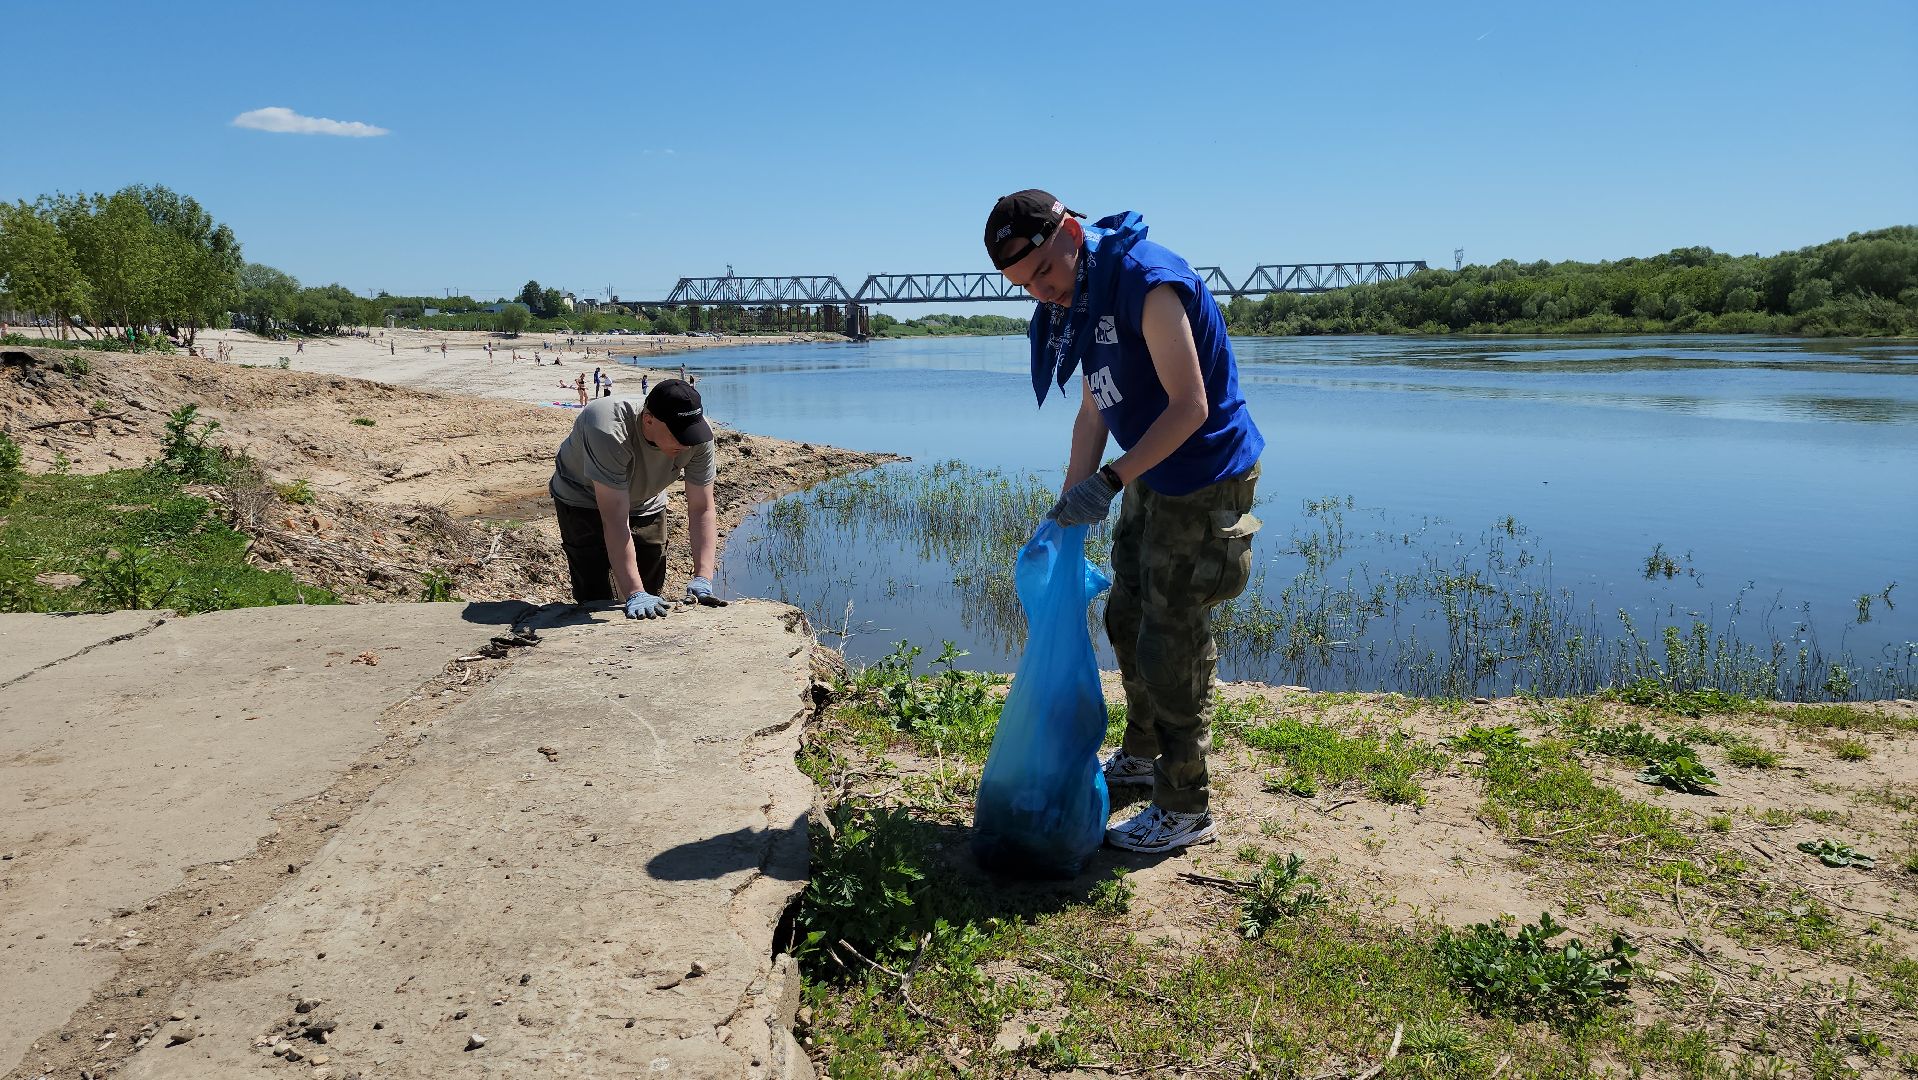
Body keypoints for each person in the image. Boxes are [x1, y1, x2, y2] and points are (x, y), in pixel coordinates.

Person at [986, 189, 1264, 854]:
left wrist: (1110, 480)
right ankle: (1141, 754)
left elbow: (1190, 407)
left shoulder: (1146, 282)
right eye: (1024, 287)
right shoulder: (1083, 300)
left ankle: (1185, 806)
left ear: (1073, 233)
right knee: (1125, 617)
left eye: (1044, 274)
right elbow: (1094, 414)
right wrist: (1068, 510)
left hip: (1204, 477)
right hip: (1151, 473)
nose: (1042, 294)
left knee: (1171, 642)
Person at [548, 379, 727, 618]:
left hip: (646, 498)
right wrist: (634, 592)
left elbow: (701, 508)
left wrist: (703, 577)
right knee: (594, 586)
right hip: (582, 496)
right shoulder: (607, 428)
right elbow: (614, 520)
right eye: (678, 434)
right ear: (648, 420)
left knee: (650, 575)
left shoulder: (697, 437)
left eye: (690, 433)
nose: (687, 443)